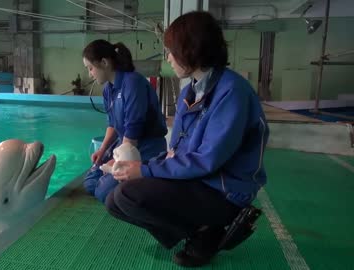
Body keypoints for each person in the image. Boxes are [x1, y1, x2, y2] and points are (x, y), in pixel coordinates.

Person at [105, 11, 269, 267]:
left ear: (191, 49)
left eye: (171, 50)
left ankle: (209, 231)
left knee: (127, 195)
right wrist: (135, 166)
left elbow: (206, 161)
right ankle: (200, 230)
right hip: (198, 181)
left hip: (224, 191)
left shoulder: (232, 93)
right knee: (113, 200)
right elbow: (177, 151)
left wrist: (146, 169)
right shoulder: (191, 91)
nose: (168, 57)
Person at [82, 39, 167, 203]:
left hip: (146, 145)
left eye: (90, 68)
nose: (90, 73)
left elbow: (133, 130)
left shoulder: (133, 83)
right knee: (90, 181)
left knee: (102, 193)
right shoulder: (109, 89)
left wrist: (117, 161)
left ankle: (141, 179)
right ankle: (113, 181)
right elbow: (113, 125)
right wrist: (103, 151)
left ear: (104, 63)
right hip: (123, 145)